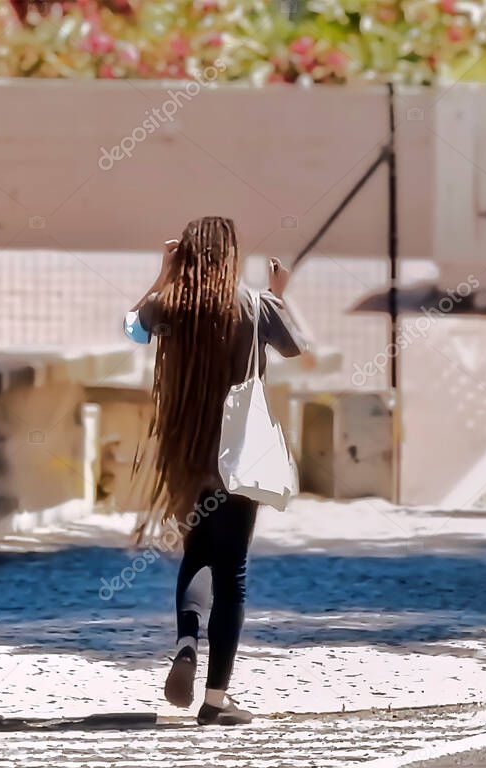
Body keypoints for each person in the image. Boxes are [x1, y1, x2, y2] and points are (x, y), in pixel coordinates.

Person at [124, 216, 308, 725]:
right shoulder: (254, 305)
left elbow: (132, 328)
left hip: (187, 453)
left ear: (185, 254)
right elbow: (295, 346)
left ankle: (186, 641)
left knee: (196, 557)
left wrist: (164, 276)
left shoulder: (173, 306)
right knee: (233, 574)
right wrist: (278, 293)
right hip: (239, 451)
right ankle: (216, 700)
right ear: (231, 255)